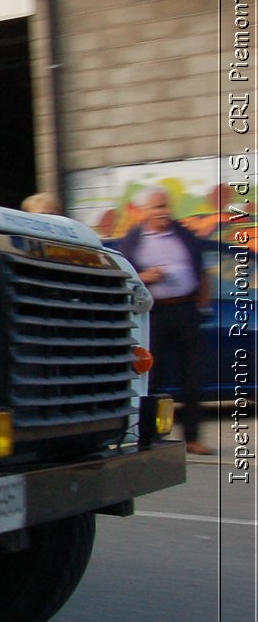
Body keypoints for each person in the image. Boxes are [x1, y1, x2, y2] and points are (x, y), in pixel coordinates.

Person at [118, 188, 213, 455]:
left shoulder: (184, 235)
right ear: (146, 211)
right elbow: (126, 274)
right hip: (155, 313)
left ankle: (192, 438)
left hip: (185, 311)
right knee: (151, 377)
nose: (163, 212)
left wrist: (201, 303)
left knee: (192, 378)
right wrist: (145, 277)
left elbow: (202, 269)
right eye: (157, 207)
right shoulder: (133, 239)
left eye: (166, 207)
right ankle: (147, 437)